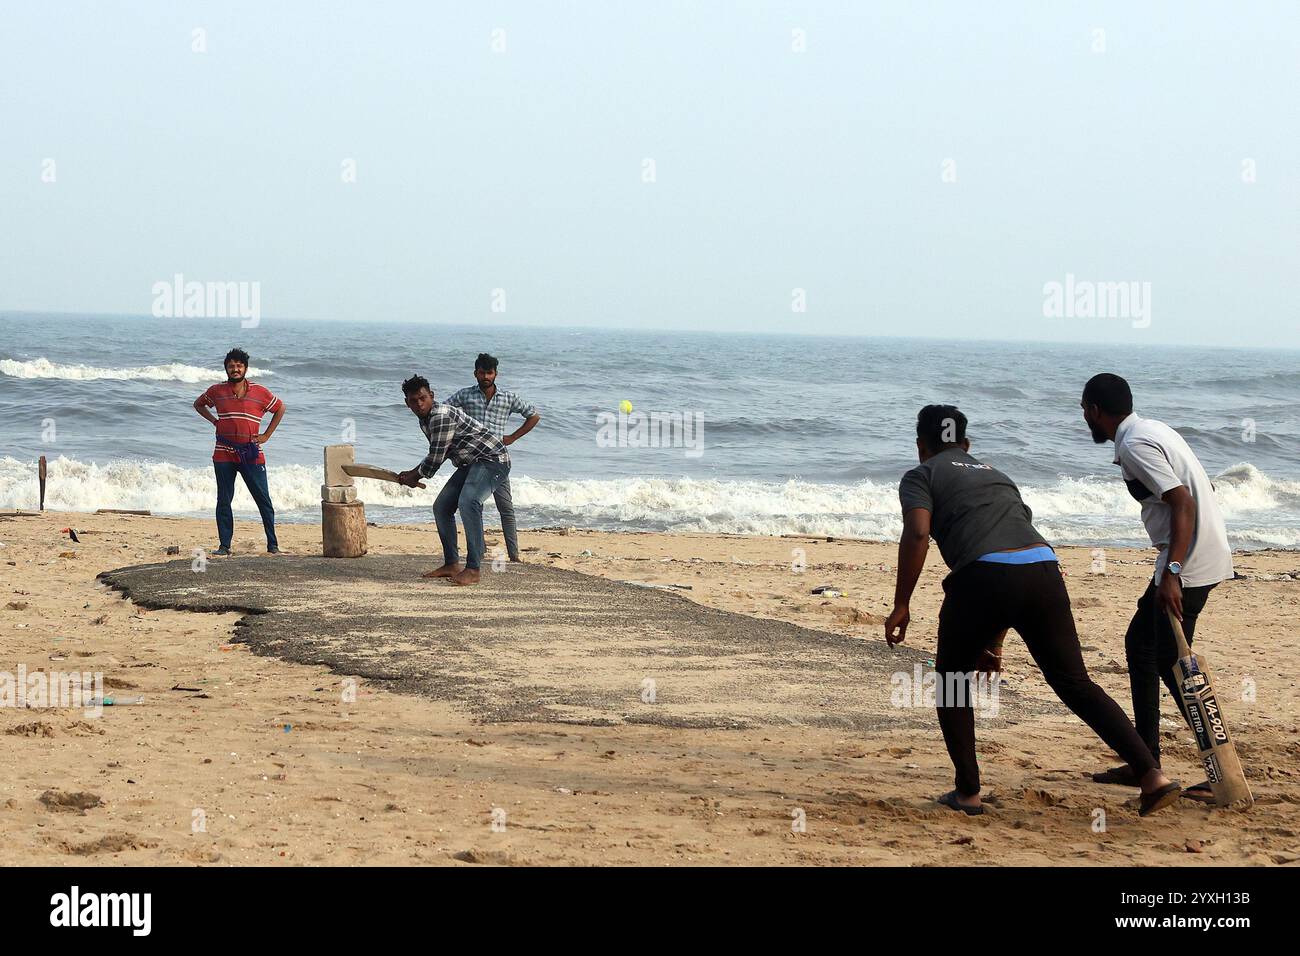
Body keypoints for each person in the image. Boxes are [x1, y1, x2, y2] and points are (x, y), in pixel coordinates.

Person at [885, 404, 1180, 816]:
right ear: (967, 445)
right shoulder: (998, 476)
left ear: (921, 447)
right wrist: (995, 642)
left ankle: (968, 793)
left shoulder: (922, 474)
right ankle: (1152, 776)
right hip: (1043, 570)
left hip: (981, 578)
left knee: (952, 681)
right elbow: (1014, 553)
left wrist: (902, 603)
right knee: (1075, 682)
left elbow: (918, 531)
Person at [1080, 373, 1235, 801]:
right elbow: (1203, 487)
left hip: (1189, 563)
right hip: (1196, 554)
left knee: (1169, 662)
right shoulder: (1154, 429)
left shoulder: (1134, 444)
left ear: (1093, 410)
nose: (1084, 417)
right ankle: (1146, 760)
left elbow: (1182, 499)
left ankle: (1214, 766)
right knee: (1147, 649)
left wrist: (1173, 572)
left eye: (1084, 409)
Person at [397, 375, 511, 586]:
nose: (419, 404)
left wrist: (415, 475)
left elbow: (436, 458)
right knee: (441, 507)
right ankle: (451, 563)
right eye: (413, 401)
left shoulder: (440, 416)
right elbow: (437, 452)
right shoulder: (426, 419)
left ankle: (473, 569)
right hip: (471, 464)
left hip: (493, 460)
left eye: (422, 398)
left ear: (431, 396)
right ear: (407, 403)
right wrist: (412, 473)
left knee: (469, 502)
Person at [443, 353, 540, 562]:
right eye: (481, 373)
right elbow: (444, 411)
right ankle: (479, 550)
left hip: (497, 460)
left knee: (506, 507)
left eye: (489, 373)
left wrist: (513, 437)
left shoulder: (507, 398)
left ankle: (514, 555)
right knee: (472, 504)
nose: (485, 376)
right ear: (475, 373)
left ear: (495, 374)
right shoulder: (465, 395)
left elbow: (533, 415)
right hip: (472, 461)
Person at [192, 348, 285, 556]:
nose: (235, 369)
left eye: (239, 366)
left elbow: (280, 408)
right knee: (224, 499)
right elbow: (198, 404)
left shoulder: (260, 392)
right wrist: (215, 421)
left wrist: (266, 436)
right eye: (231, 366)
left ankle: (273, 545)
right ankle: (224, 546)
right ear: (226, 368)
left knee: (263, 499)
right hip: (223, 453)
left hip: (252, 453)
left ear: (245, 368)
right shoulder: (216, 391)